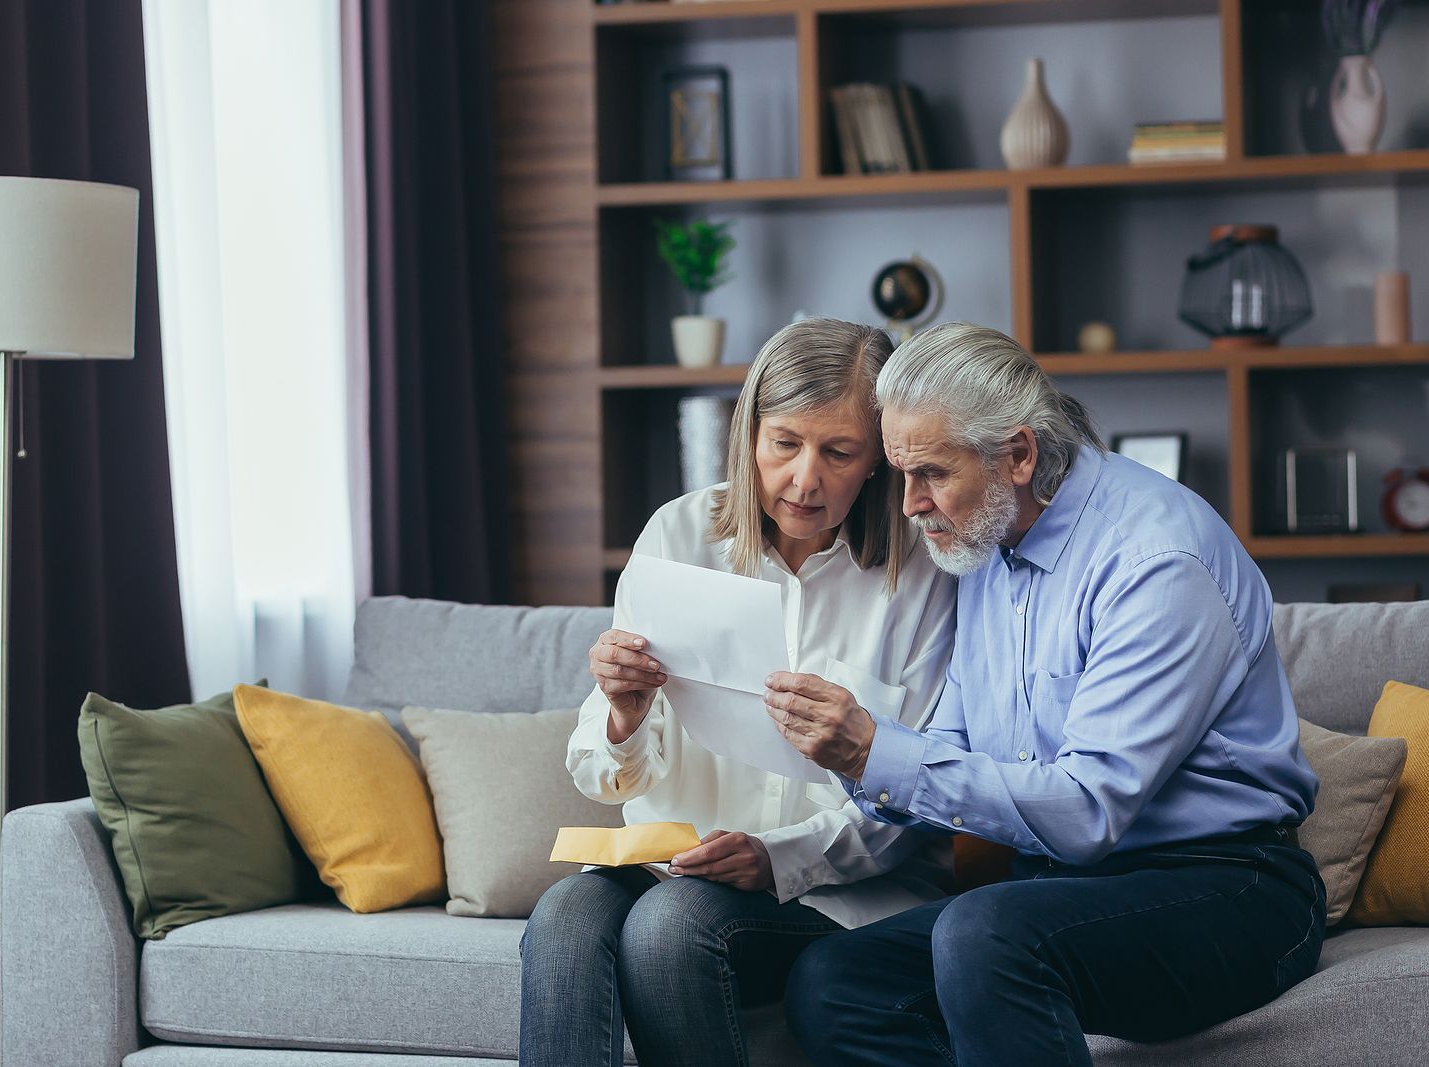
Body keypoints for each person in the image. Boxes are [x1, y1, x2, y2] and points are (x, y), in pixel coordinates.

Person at [765, 321, 1324, 1067]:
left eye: (930, 472)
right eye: (901, 473)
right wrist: (858, 759)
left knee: (985, 933)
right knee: (834, 978)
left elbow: (1088, 808)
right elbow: (952, 753)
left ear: (1019, 454)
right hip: (1055, 890)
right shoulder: (985, 542)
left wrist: (877, 750)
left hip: (1228, 887)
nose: (908, 504)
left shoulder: (1155, 560)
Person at [518, 318, 957, 1067]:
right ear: (749, 434)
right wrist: (625, 711)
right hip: (673, 864)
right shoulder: (678, 534)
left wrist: (776, 858)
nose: (805, 478)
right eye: (784, 443)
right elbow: (602, 771)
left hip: (833, 893)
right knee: (562, 918)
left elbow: (920, 797)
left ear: (880, 459)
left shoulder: (922, 576)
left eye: (839, 451)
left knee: (668, 928)